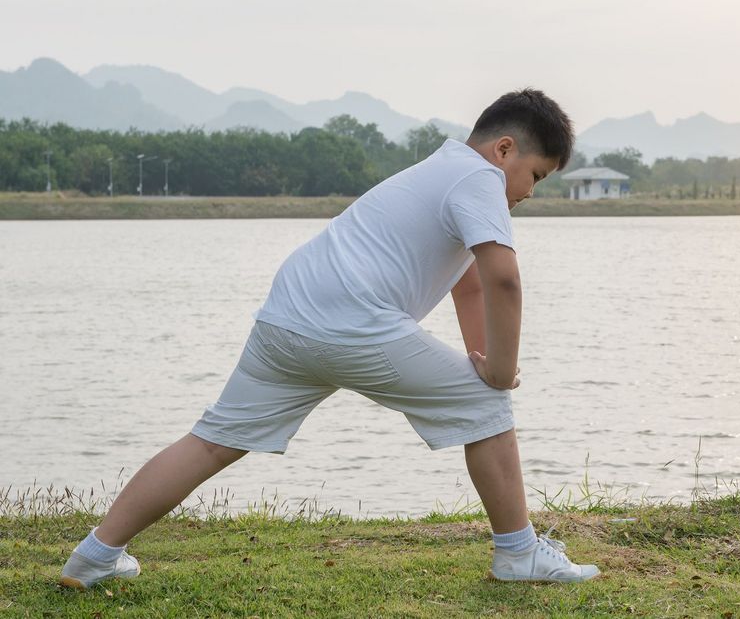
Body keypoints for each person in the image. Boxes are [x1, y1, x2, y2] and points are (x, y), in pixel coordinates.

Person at [59, 89, 600, 588]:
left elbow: (471, 290)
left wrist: (482, 358)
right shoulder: (478, 180)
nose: (531, 191)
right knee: (487, 404)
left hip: (288, 316)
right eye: (537, 175)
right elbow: (503, 278)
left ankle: (95, 555)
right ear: (504, 150)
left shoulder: (438, 171)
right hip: (351, 322)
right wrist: (499, 374)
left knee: (212, 441)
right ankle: (517, 553)